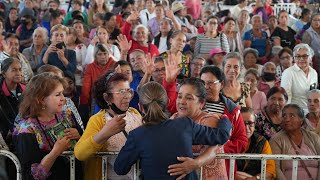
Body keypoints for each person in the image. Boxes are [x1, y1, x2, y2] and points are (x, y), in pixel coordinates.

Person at [113, 81, 232, 179]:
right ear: (167, 102)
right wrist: (225, 118)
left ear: (140, 107)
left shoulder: (137, 135)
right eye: (179, 96)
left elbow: (120, 168)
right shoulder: (184, 124)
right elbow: (221, 135)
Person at [13, 73, 83, 180]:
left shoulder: (68, 115)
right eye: (57, 94)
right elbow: (32, 176)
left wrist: (79, 136)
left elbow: (83, 144)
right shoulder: (26, 130)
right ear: (41, 100)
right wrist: (55, 152)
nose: (63, 99)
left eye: (62, 93)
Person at [75, 72, 142, 180]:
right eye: (121, 92)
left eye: (129, 91)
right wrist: (104, 133)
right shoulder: (98, 120)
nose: (127, 96)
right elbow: (79, 153)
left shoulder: (135, 114)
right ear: (107, 97)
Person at [168, 78, 228, 179]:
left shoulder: (209, 119)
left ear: (201, 103)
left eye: (189, 98)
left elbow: (212, 151)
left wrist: (195, 164)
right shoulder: (174, 118)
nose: (182, 102)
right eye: (179, 96)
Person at [270, 104, 320, 180]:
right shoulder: (276, 140)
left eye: (292, 116)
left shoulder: (313, 137)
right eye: (284, 116)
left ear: (301, 120)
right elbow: (275, 168)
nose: (287, 119)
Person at [237, 107, 275, 180]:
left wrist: (255, 178)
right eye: (242, 123)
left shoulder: (262, 142)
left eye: (250, 123)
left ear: (255, 125)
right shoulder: (228, 141)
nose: (246, 128)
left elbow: (270, 171)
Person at [80, 44, 116, 116]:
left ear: (108, 54)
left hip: (112, 96)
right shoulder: (90, 67)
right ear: (95, 56)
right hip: (96, 97)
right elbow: (86, 86)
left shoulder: (114, 64)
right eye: (99, 54)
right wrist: (84, 103)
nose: (103, 57)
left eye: (105, 54)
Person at [281, 43, 318, 113]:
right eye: (298, 56)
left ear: (310, 58)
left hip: (311, 111)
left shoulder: (314, 73)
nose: (301, 59)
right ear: (294, 58)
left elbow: (313, 93)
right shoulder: (288, 73)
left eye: (305, 56)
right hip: (295, 112)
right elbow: (286, 97)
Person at [0, 58, 24, 150]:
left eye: (20, 69)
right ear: (4, 73)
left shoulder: (26, 89)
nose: (18, 73)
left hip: (22, 130)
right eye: (14, 70)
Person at [302, 13, 320, 83]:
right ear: (311, 21)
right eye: (315, 20)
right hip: (314, 60)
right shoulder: (308, 33)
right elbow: (305, 49)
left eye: (319, 20)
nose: (317, 22)